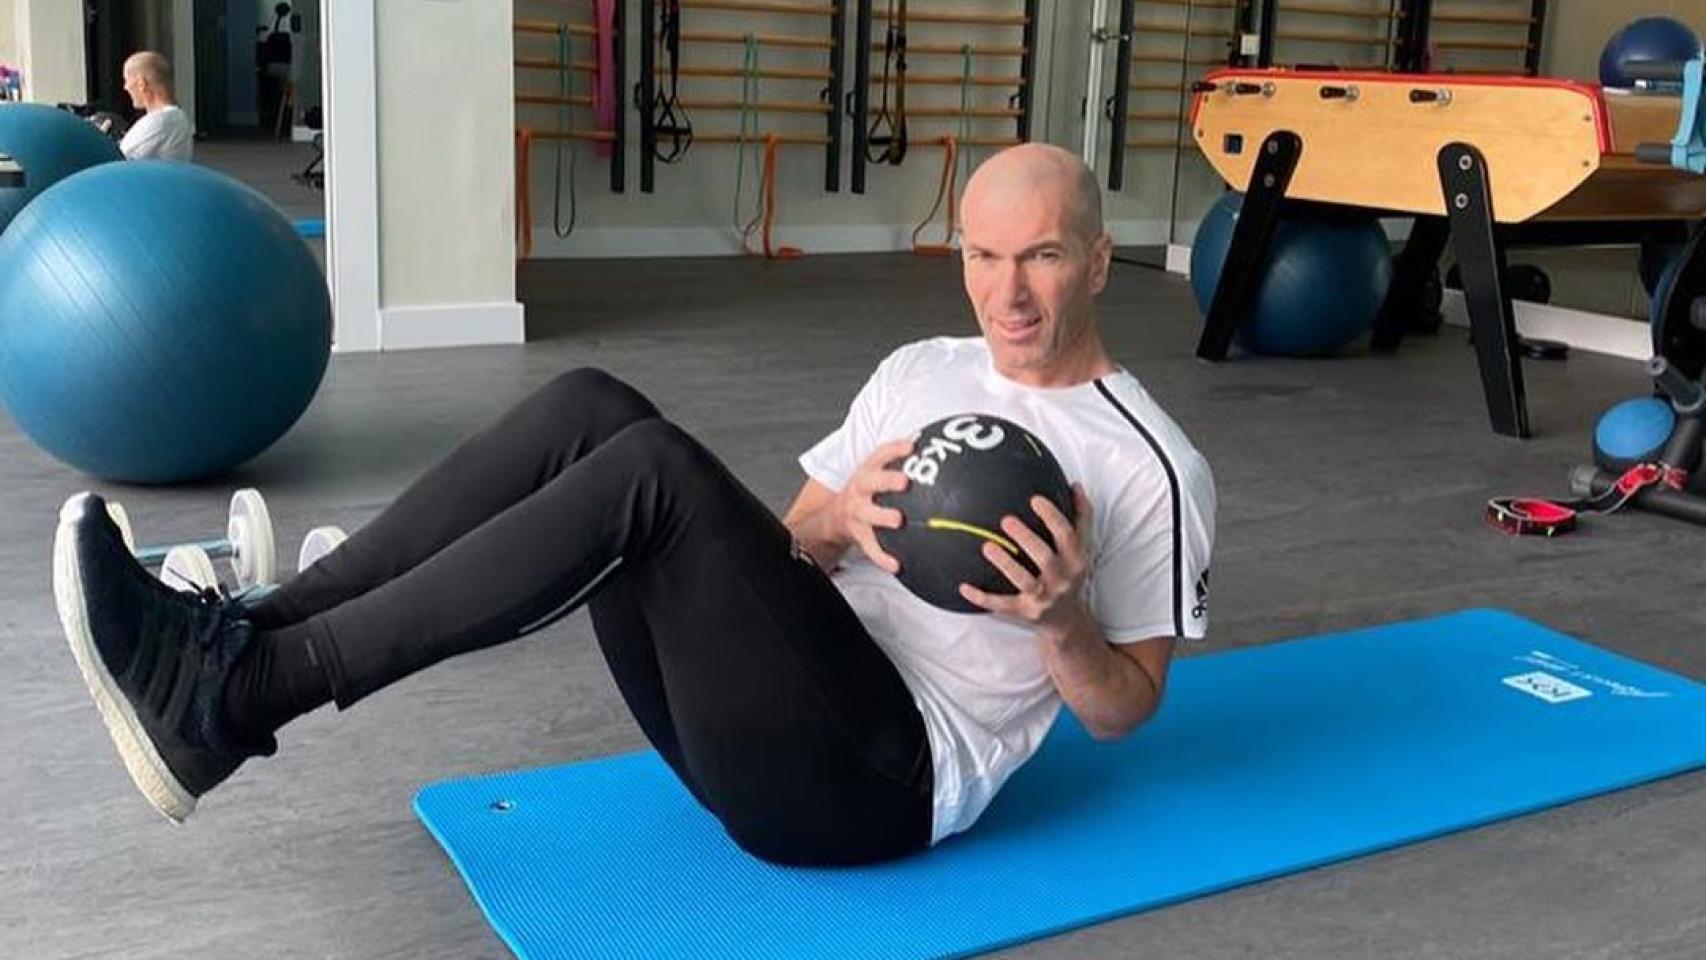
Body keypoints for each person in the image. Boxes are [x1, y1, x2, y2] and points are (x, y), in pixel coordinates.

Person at [50, 143, 1215, 867]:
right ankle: (251, 630)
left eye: (1043, 258)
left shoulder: (1147, 462)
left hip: (871, 786)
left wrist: (1061, 621)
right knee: (589, 405)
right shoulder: (921, 368)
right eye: (981, 256)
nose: (1004, 292)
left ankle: (240, 697)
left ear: (1100, 264)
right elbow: (785, 548)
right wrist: (837, 520)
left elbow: (1125, 711)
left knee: (648, 473)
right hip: (763, 717)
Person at [117, 52, 193, 162]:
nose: (125, 87)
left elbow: (117, 161)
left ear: (141, 84)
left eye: (126, 80)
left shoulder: (161, 121)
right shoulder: (175, 119)